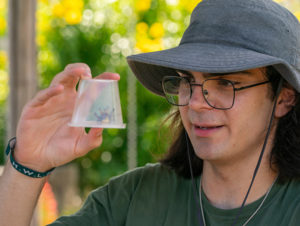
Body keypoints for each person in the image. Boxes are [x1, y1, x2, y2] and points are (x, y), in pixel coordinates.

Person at [1, 0, 300, 225]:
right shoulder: (132, 199)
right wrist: (28, 164)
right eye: (187, 81)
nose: (195, 102)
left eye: (225, 83)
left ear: (284, 98)